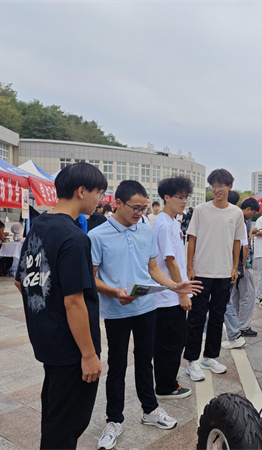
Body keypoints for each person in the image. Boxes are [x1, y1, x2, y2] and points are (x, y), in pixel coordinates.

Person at [89, 180, 201, 449]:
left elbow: (153, 269)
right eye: (136, 208)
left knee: (145, 360)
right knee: (117, 364)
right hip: (117, 310)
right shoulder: (97, 235)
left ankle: (150, 409)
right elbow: (91, 277)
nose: (140, 213)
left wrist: (175, 286)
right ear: (118, 203)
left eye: (144, 208)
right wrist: (114, 292)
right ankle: (114, 420)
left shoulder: (145, 230)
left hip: (146, 307)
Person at [14, 162, 106, 448]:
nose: (100, 199)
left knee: (55, 414)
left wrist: (45, 311)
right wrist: (89, 354)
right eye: (99, 192)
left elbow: (20, 280)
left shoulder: (39, 225)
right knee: (67, 424)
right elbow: (74, 302)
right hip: (72, 348)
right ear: (82, 191)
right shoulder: (74, 238)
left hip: (48, 339)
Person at [185, 169, 246, 382]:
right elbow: (192, 239)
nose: (217, 190)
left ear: (230, 186)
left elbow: (237, 241)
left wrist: (234, 267)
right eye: (214, 186)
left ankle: (209, 357)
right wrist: (189, 267)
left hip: (224, 272)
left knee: (217, 316)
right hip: (201, 271)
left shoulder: (236, 213)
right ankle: (192, 360)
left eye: (221, 185)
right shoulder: (201, 210)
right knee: (197, 316)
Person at [152, 176, 194, 400]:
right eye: (180, 197)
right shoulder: (164, 224)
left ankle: (167, 382)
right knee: (170, 343)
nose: (184, 201)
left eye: (186, 197)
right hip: (169, 296)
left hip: (172, 293)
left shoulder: (173, 222)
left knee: (174, 341)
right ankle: (166, 387)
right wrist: (182, 293)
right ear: (167, 197)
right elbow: (170, 262)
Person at [222, 195, 260, 349]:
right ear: (248, 209)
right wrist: (243, 265)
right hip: (241, 265)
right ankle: (243, 326)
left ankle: (237, 324)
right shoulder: (240, 221)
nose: (252, 215)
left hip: (229, 264)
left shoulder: (227, 218)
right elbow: (244, 246)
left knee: (234, 296)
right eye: (253, 212)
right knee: (247, 295)